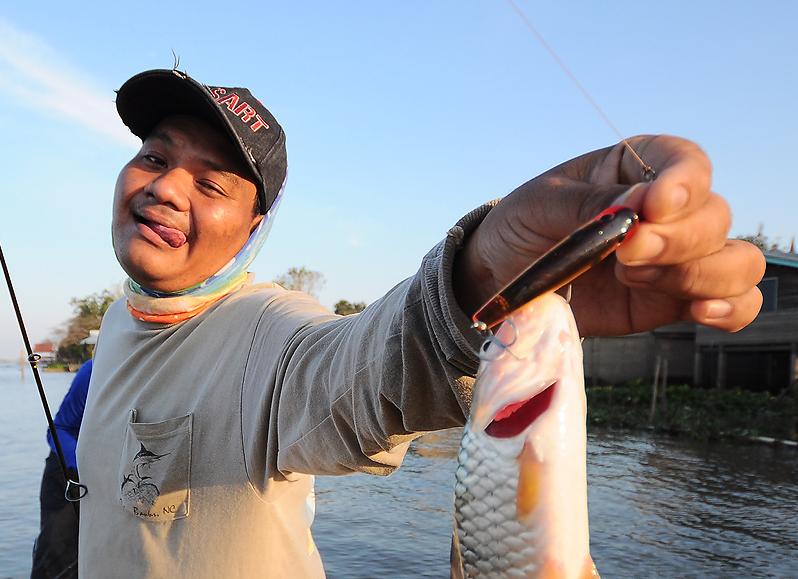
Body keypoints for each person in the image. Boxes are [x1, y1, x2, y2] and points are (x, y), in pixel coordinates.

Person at [76, 69, 764, 578]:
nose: (165, 188)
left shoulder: (269, 332)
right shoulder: (117, 325)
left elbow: (366, 367)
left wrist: (487, 273)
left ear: (255, 226)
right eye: (156, 158)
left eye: (211, 183)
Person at [31, 359, 91, 579]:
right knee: (56, 563)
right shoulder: (93, 369)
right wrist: (86, 466)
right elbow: (59, 429)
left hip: (124, 477)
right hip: (69, 471)